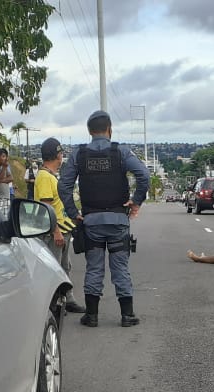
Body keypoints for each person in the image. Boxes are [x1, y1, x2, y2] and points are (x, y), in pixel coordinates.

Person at [59, 109, 150, 328]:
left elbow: (64, 186)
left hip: (91, 221)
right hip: (118, 220)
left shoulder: (79, 155)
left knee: (94, 268)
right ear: (110, 129)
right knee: (120, 268)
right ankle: (127, 315)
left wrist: (73, 212)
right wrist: (136, 201)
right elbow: (144, 175)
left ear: (89, 131)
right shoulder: (121, 152)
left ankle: (91, 316)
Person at [34, 138, 86, 313]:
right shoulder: (44, 177)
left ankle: (66, 299)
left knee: (65, 268)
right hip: (55, 233)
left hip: (63, 230)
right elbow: (47, 206)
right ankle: (53, 304)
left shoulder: (50, 176)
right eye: (61, 153)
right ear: (58, 155)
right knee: (54, 269)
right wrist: (55, 231)